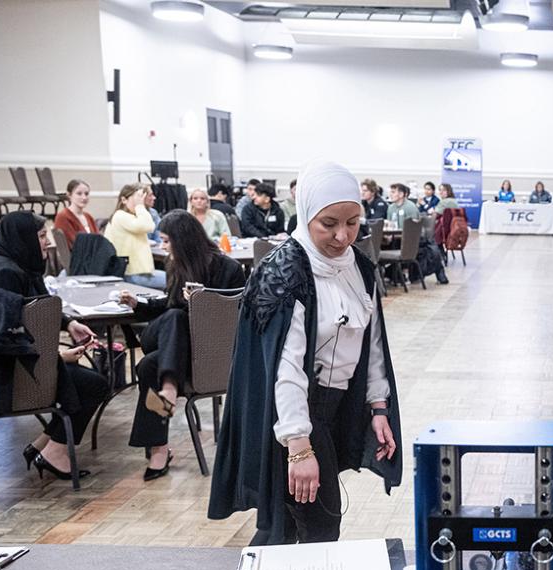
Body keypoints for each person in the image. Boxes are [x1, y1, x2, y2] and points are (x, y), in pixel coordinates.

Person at [209, 160, 401, 545]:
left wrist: (377, 407)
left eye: (352, 222)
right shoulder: (285, 272)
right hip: (292, 412)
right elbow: (285, 367)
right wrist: (298, 445)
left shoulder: (359, 268)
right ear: (307, 213)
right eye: (328, 224)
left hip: (334, 407)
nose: (343, 236)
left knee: (292, 524)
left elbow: (373, 343)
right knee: (309, 522)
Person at [117, 210, 245, 480]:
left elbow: (236, 317)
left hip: (204, 353)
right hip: (168, 337)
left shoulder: (228, 269)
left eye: (166, 240)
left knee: (148, 366)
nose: (162, 247)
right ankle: (170, 388)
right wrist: (138, 304)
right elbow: (169, 305)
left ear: (182, 239)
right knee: (174, 316)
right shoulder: (176, 265)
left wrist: (201, 302)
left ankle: (159, 449)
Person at [0, 212, 109, 481]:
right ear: (23, 239)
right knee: (94, 385)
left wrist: (69, 324)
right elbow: (7, 335)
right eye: (42, 236)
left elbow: (32, 309)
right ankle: (54, 452)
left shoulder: (18, 265)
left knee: (87, 382)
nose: (48, 243)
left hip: (26, 362)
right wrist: (59, 357)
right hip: (8, 371)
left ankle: (45, 447)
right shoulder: (5, 273)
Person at [104, 183, 165, 289]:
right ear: (124, 200)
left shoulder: (128, 217)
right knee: (178, 280)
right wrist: (140, 206)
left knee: (177, 278)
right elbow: (148, 226)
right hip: (134, 274)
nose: (141, 201)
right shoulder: (120, 216)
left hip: (139, 272)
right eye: (138, 198)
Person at [53, 179, 98, 248]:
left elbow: (99, 241)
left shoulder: (89, 217)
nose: (84, 197)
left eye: (86, 194)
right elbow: (73, 244)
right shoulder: (63, 217)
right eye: (79, 193)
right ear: (69, 195)